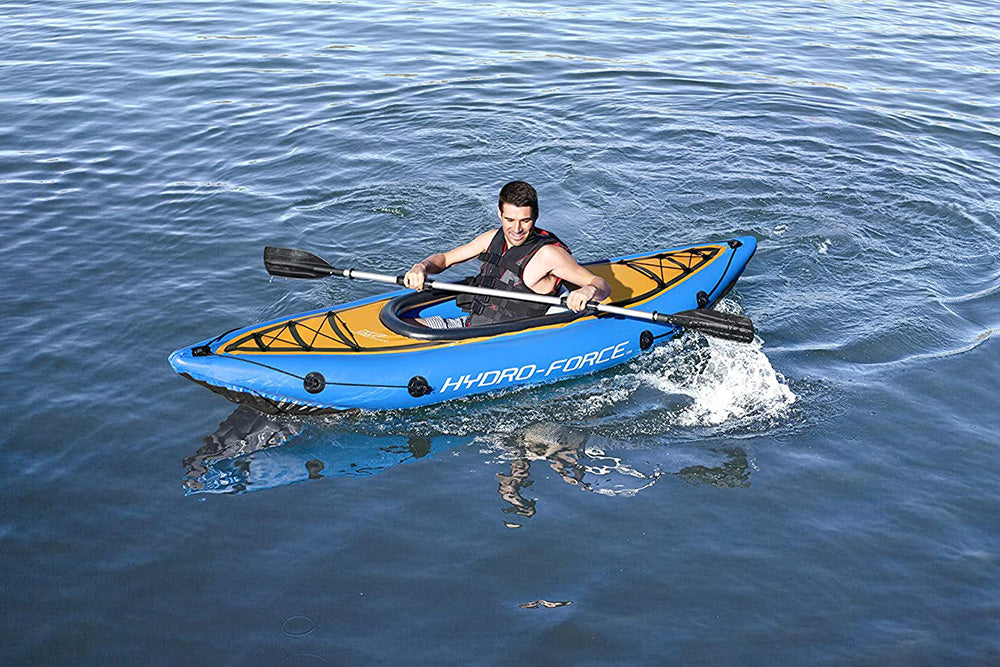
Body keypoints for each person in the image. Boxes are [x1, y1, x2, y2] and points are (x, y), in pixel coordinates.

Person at [403, 181, 612, 328]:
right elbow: (445, 259)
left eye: (525, 220)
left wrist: (587, 291)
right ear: (499, 214)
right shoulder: (491, 239)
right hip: (469, 327)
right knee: (401, 326)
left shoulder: (549, 254)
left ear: (535, 217)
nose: (517, 229)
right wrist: (420, 267)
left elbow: (601, 285)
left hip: (508, 340)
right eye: (509, 220)